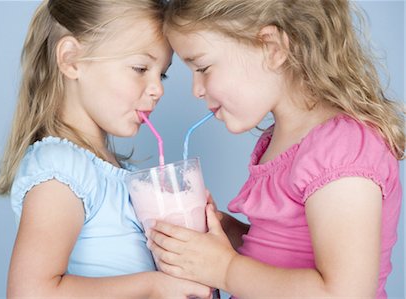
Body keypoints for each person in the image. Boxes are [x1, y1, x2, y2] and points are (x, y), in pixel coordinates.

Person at [147, 0, 405, 298]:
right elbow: (287, 254)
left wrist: (226, 269)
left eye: (203, 68)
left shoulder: (341, 148)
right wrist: (228, 233)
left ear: (272, 48)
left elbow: (344, 293)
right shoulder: (281, 140)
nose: (197, 89)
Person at [0, 0, 212, 298]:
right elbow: (29, 292)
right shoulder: (62, 168)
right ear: (71, 60)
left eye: (161, 74)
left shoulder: (126, 178)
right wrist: (152, 287)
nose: (157, 89)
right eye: (140, 68)